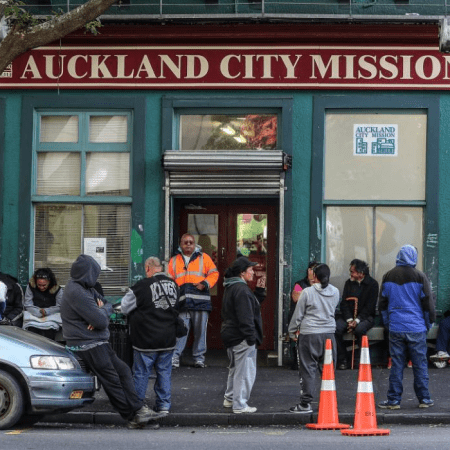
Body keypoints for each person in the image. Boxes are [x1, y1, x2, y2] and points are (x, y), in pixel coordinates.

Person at [60, 254, 165, 429]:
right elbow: (101, 321)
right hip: (86, 344)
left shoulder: (87, 288)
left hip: (97, 341)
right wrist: (99, 314)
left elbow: (107, 305)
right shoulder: (76, 291)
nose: (96, 278)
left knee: (123, 370)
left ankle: (139, 410)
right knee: (112, 380)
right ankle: (132, 416)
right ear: (87, 273)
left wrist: (100, 311)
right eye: (95, 274)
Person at [378, 244, 435, 410]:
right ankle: (424, 399)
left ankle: (394, 401)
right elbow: (428, 304)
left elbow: (382, 305)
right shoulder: (420, 276)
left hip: (396, 327)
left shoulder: (388, 276)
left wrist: (388, 324)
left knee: (397, 365)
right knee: (420, 365)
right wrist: (428, 323)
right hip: (416, 328)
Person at [121, 257, 180, 414]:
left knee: (141, 373)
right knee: (164, 372)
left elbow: (125, 308)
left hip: (146, 339)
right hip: (168, 338)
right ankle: (164, 405)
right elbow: (179, 307)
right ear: (160, 268)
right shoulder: (174, 285)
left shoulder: (141, 286)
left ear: (148, 268)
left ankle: (138, 406)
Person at [288, 263, 340, 414]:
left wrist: (291, 332)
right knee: (328, 369)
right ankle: (329, 403)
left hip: (309, 334)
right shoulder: (335, 291)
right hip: (329, 334)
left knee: (308, 369)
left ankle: (305, 404)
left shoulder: (307, 292)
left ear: (315, 276)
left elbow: (298, 314)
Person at [221, 256, 266, 414]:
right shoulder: (242, 290)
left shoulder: (232, 286)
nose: (253, 272)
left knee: (235, 368)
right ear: (242, 272)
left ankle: (230, 398)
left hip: (231, 334)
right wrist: (251, 338)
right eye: (250, 269)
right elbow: (246, 316)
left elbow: (248, 307)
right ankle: (239, 404)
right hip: (241, 337)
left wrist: (259, 292)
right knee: (244, 371)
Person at [169, 233, 219, 368]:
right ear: (180, 244)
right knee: (180, 331)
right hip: (182, 302)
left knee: (200, 332)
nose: (188, 244)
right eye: (185, 242)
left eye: (191, 242)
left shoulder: (204, 258)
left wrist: (205, 283)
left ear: (195, 244)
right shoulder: (174, 260)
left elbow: (214, 273)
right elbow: (169, 279)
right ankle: (175, 358)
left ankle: (199, 359)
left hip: (201, 302)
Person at [334, 259, 378, 370]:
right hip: (348, 317)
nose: (350, 274)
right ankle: (343, 359)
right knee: (335, 328)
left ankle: (359, 360)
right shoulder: (348, 283)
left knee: (359, 329)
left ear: (361, 273)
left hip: (365, 317)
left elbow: (370, 307)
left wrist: (357, 320)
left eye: (352, 272)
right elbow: (344, 303)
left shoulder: (373, 284)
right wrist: (349, 320)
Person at [288, 261, 319, 369]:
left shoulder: (321, 285)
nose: (313, 272)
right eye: (311, 269)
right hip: (301, 317)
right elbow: (296, 298)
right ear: (308, 271)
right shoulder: (299, 284)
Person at [23, 268, 63, 340]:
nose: (41, 287)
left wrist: (46, 311)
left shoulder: (57, 289)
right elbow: (28, 304)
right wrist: (38, 312)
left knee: (49, 332)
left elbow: (60, 306)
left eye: (44, 285)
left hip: (51, 316)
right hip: (34, 315)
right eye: (39, 285)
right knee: (32, 331)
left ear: (49, 282)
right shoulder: (31, 287)